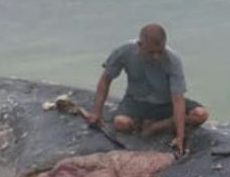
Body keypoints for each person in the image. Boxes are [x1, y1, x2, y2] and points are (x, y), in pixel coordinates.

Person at [84, 24, 209, 155]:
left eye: (160, 52)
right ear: (140, 45)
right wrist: (96, 112)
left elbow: (177, 99)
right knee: (120, 123)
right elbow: (105, 80)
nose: (156, 56)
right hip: (136, 101)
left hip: (166, 103)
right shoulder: (124, 51)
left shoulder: (173, 60)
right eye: (151, 52)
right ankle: (140, 123)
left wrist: (180, 137)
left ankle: (156, 126)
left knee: (201, 114)